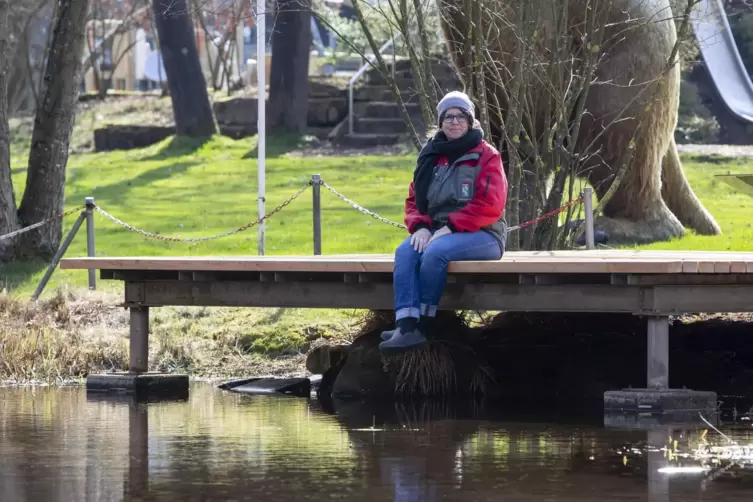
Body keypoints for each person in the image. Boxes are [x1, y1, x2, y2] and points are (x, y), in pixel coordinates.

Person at [379, 91, 508, 354]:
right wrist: (421, 227)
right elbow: (415, 199)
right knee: (406, 251)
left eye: (461, 116)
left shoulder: (486, 156)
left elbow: (490, 205)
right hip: (438, 231)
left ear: (470, 121)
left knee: (435, 253)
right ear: (440, 122)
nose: (454, 121)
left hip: (483, 234)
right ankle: (406, 326)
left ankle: (426, 324)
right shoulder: (431, 155)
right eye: (448, 116)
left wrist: (450, 227)